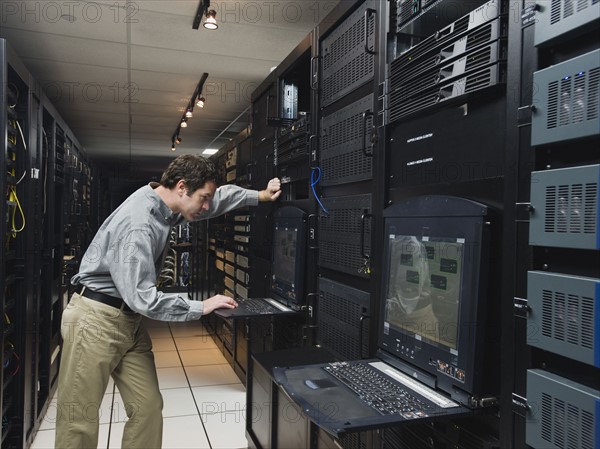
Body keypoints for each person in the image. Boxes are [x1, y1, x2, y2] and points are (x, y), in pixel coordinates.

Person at [55, 154, 281, 449]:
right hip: (95, 321)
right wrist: (200, 306)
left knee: (148, 409)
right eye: (203, 198)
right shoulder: (139, 224)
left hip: (126, 320)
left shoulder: (165, 204)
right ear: (183, 187)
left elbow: (217, 199)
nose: (206, 206)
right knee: (78, 422)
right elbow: (142, 297)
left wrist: (260, 195)